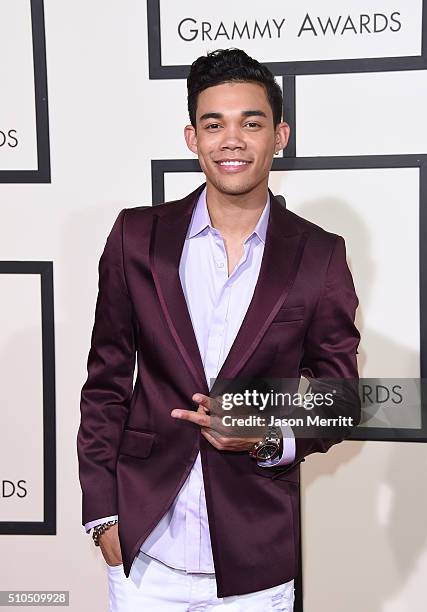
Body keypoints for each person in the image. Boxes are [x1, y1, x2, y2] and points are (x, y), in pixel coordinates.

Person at [77, 48, 361, 611]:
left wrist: (266, 438)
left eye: (250, 123)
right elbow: (106, 381)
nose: (232, 140)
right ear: (192, 138)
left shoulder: (319, 256)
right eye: (215, 124)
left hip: (255, 561)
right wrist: (102, 517)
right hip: (144, 556)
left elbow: (343, 397)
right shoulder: (137, 238)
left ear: (279, 135)